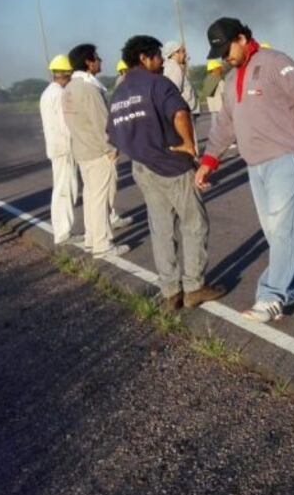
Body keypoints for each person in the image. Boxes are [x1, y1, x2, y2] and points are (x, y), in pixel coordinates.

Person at [195, 17, 294, 322]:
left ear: (241, 39)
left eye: (226, 49)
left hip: (286, 157)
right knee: (276, 232)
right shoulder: (231, 81)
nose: (223, 57)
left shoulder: (274, 62)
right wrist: (208, 162)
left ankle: (270, 297)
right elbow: (224, 125)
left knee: (282, 230)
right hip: (255, 165)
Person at [107, 35, 224, 312]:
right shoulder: (158, 83)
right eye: (158, 56)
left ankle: (170, 292)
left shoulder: (120, 92)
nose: (162, 62)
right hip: (172, 165)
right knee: (194, 224)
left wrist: (139, 149)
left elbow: (112, 133)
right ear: (145, 58)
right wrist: (187, 145)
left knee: (161, 229)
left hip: (142, 168)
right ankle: (194, 287)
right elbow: (180, 114)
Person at [61, 43, 130, 258]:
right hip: (98, 150)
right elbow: (102, 123)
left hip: (82, 149)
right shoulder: (89, 89)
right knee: (101, 199)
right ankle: (102, 245)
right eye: (97, 58)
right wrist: (111, 147)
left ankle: (92, 239)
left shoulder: (70, 88)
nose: (100, 61)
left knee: (92, 197)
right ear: (89, 63)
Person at [40, 54, 79, 245]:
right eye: (70, 74)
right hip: (63, 148)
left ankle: (61, 231)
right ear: (64, 74)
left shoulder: (48, 92)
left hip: (57, 147)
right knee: (65, 190)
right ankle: (63, 234)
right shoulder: (59, 94)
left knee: (62, 188)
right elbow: (66, 125)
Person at [162, 41, 200, 119]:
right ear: (175, 53)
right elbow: (175, 91)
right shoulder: (174, 67)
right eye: (183, 51)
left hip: (186, 110)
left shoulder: (172, 66)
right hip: (186, 111)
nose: (185, 54)